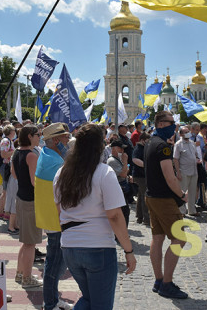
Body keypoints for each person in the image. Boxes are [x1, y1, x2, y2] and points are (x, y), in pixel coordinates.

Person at [54, 124, 136, 309]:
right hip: (97, 246)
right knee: (100, 304)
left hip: (70, 245)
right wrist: (128, 250)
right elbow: (114, 215)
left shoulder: (61, 173)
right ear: (99, 146)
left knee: (89, 299)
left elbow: (59, 210)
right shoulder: (103, 172)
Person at [145, 110, 189, 299]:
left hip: (152, 196)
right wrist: (182, 194)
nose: (175, 126)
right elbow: (169, 177)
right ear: (161, 124)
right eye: (172, 122)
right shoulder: (163, 146)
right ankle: (166, 283)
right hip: (163, 198)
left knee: (158, 237)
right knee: (179, 239)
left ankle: (158, 279)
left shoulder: (149, 142)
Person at [35, 123, 73, 310]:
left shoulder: (46, 154)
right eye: (65, 137)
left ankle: (52, 298)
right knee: (55, 264)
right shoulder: (56, 161)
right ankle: (50, 302)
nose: (68, 140)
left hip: (51, 217)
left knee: (56, 262)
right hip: (56, 219)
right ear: (56, 140)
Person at [12, 125, 44, 288]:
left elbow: (15, 174)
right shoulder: (31, 155)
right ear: (30, 136)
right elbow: (35, 182)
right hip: (31, 200)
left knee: (26, 242)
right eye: (38, 134)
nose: (40, 137)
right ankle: (27, 277)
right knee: (31, 242)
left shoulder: (17, 152)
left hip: (21, 197)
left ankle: (19, 273)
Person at [173, 126, 200, 217]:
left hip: (194, 171)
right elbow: (175, 159)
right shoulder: (178, 144)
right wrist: (178, 172)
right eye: (185, 132)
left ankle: (192, 210)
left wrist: (197, 159)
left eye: (188, 131)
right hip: (183, 171)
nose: (187, 133)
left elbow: (196, 155)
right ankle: (181, 211)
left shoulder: (192, 143)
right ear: (180, 134)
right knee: (182, 191)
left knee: (192, 191)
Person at [107, 140, 130, 225]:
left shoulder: (118, 159)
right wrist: (125, 161)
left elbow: (127, 169)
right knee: (123, 212)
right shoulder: (112, 160)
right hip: (118, 189)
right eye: (120, 148)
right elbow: (123, 173)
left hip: (122, 188)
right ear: (114, 149)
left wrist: (126, 164)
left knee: (125, 211)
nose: (122, 151)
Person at [132, 132, 151, 226]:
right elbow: (135, 159)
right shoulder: (138, 148)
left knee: (140, 196)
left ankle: (139, 217)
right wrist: (146, 165)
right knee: (145, 196)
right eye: (147, 141)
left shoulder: (144, 147)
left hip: (142, 175)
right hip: (140, 175)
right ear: (142, 140)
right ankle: (146, 218)